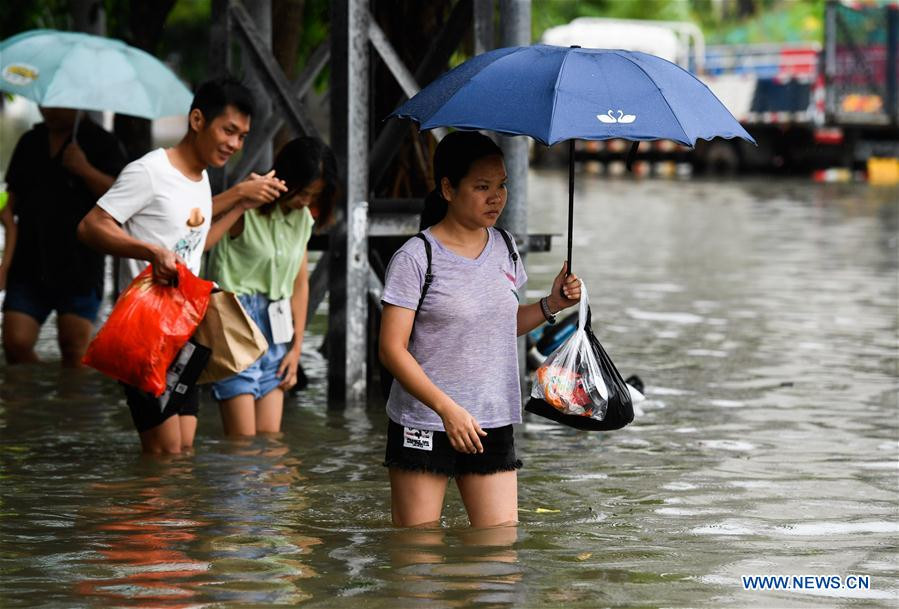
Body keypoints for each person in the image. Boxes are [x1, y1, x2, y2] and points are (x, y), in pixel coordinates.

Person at [379, 131, 582, 528]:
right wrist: (447, 409)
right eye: (482, 187)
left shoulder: (505, 246)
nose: (497, 197)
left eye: (502, 185)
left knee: (498, 560)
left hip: (491, 416)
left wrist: (550, 305)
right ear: (448, 189)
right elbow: (391, 349)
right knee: (417, 561)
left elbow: (499, 325)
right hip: (425, 422)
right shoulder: (416, 257)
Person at [77, 77, 288, 455]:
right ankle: (99, 511)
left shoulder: (201, 178)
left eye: (242, 136)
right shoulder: (149, 171)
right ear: (196, 120)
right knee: (165, 452)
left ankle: (155, 512)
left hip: (186, 330)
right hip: (145, 333)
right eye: (228, 130)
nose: (235, 144)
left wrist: (241, 205)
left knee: (184, 450)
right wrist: (149, 252)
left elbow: (196, 245)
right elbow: (91, 226)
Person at [206, 136, 338, 436]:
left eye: (314, 196)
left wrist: (297, 347)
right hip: (235, 320)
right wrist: (240, 198)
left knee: (271, 443)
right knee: (242, 444)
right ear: (285, 180)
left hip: (278, 326)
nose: (306, 202)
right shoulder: (246, 211)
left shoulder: (303, 219)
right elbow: (193, 227)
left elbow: (299, 282)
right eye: (302, 192)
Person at [0, 108, 126, 367]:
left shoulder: (102, 143)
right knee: (15, 343)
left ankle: (69, 404)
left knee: (74, 350)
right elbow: (10, 205)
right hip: (29, 261)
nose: (49, 110)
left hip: (79, 265)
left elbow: (123, 199)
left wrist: (85, 169)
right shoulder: (30, 141)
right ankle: (32, 401)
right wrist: (5, 264)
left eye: (58, 105)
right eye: (45, 104)